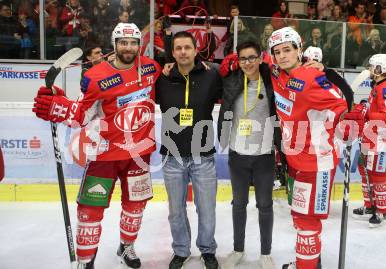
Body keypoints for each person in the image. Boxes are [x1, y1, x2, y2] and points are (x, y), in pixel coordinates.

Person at [32, 23, 161, 269]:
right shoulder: (96, 76)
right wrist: (58, 106)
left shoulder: (150, 67)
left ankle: (126, 247)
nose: (128, 47)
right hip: (104, 155)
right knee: (90, 210)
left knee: (135, 207)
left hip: (138, 154)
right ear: (115, 44)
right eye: (123, 42)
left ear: (139, 44)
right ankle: (86, 261)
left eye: (133, 42)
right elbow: (81, 115)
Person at [268, 27, 348, 269]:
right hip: (296, 161)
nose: (282, 56)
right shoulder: (278, 75)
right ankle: (310, 261)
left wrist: (328, 128)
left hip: (316, 162)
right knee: (300, 217)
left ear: (298, 50)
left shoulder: (311, 77)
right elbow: (249, 58)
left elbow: (341, 104)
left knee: (307, 222)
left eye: (287, 50)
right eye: (277, 52)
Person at [155, 31, 223, 269]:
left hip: (202, 155)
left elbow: (240, 75)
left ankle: (207, 250)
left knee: (207, 209)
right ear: (172, 53)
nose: (183, 52)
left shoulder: (211, 75)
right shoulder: (161, 78)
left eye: (187, 47)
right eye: (178, 48)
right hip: (171, 156)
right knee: (176, 210)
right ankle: (181, 250)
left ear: (195, 50)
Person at [218, 41, 280, 269]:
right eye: (243, 58)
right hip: (237, 155)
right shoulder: (232, 80)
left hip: (264, 155)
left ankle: (265, 253)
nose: (247, 63)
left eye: (252, 58)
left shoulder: (273, 81)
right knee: (239, 205)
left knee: (265, 205)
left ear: (261, 58)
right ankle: (238, 249)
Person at [349, 54, 386, 228]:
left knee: (378, 176)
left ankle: (382, 211)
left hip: (383, 140)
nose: (369, 69)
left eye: (372, 66)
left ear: (380, 69)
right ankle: (370, 206)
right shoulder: (377, 86)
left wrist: (365, 112)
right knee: (364, 170)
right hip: (371, 137)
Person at [302, 46, 353, 110]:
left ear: (308, 60)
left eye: (304, 60)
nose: (302, 63)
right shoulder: (332, 74)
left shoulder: (319, 77)